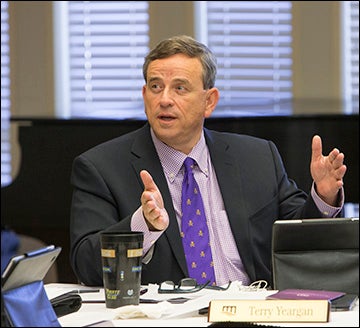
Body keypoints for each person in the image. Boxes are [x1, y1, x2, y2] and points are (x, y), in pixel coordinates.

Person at [69, 35, 346, 287]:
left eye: (180, 88)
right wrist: (144, 225)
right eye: (156, 87)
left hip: (253, 310)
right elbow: (85, 265)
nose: (164, 99)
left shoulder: (257, 157)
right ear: (144, 96)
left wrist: (323, 195)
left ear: (209, 101)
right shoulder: (101, 168)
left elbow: (296, 240)